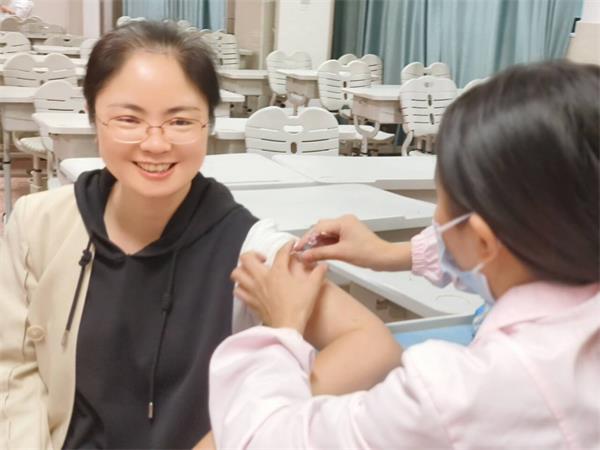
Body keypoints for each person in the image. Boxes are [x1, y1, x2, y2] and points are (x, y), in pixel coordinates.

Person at [0, 21, 401, 449]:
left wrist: (245, 428)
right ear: (93, 116)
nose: (156, 144)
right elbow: (13, 369)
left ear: (208, 123)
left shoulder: (248, 250)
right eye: (129, 119)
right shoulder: (39, 222)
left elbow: (373, 346)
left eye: (180, 120)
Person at [212, 61, 600, 448]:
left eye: (441, 204)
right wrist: (386, 253)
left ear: (483, 241)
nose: (437, 223)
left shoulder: (460, 396)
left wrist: (281, 328)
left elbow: (263, 439)